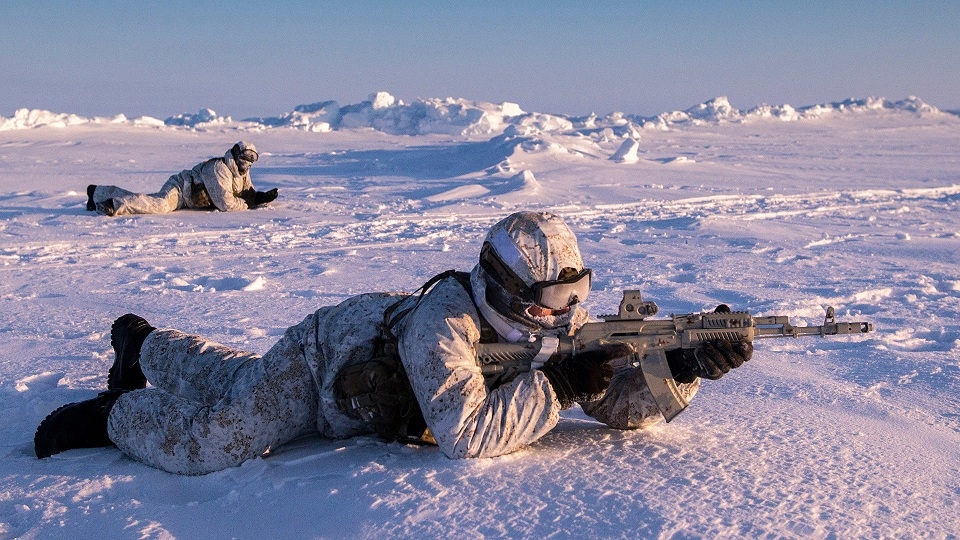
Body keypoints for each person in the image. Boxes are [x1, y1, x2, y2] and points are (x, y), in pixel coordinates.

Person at [34, 211, 752, 475]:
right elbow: (466, 434)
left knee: (229, 381)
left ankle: (143, 343)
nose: (567, 316)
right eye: (554, 302)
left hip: (352, 393)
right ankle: (114, 415)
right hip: (321, 364)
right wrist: (561, 386)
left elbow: (614, 407)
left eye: (577, 297)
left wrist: (679, 369)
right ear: (504, 293)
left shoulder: (547, 326)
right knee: (219, 439)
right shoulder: (447, 322)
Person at [86, 141, 278, 216]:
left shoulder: (241, 172)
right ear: (236, 155)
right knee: (160, 205)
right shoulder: (219, 169)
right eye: (246, 157)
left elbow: (247, 192)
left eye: (252, 159)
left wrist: (259, 197)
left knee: (148, 200)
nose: (248, 163)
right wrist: (247, 204)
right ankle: (113, 204)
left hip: (190, 199)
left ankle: (97, 193)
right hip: (181, 189)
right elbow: (225, 204)